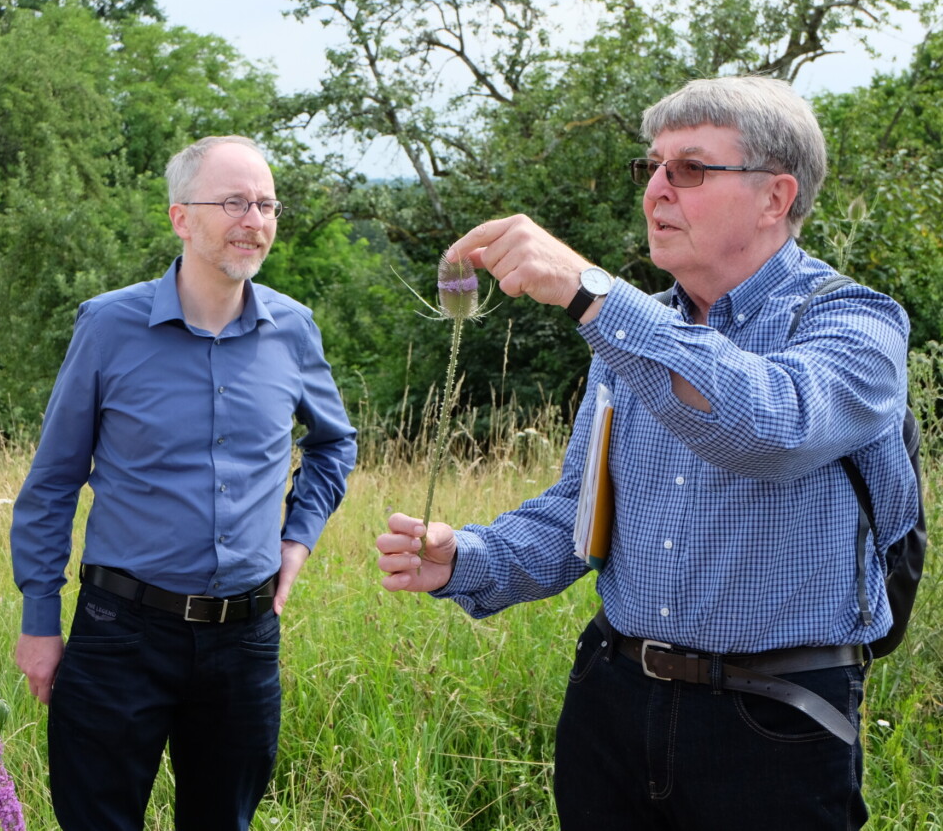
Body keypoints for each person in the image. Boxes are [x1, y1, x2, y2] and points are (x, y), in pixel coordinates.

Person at [375, 75, 916, 830]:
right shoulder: (631, 331)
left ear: (775, 196)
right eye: (652, 167)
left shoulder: (857, 323)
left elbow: (773, 426)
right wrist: (467, 557)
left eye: (690, 169)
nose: (656, 189)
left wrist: (592, 293)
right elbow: (580, 510)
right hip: (614, 701)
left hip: (774, 723)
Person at [12, 135, 357, 830]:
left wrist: (297, 541)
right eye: (233, 201)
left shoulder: (294, 330)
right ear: (181, 217)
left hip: (245, 640)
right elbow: (52, 482)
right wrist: (40, 621)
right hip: (120, 633)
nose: (253, 219)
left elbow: (333, 445)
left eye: (265, 204)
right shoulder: (110, 325)